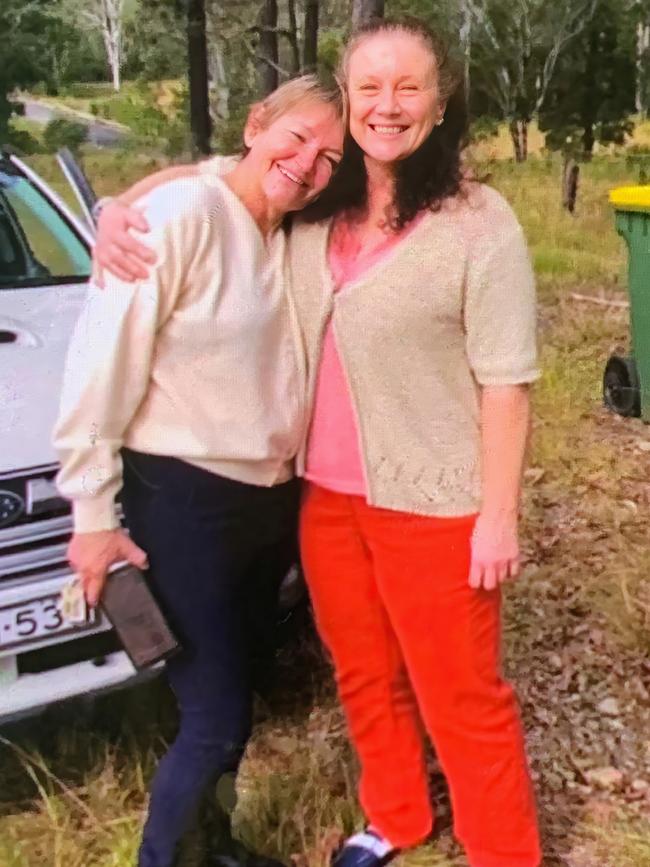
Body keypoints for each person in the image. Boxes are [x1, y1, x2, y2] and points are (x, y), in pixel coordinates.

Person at [92, 17, 542, 867]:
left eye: (409, 87)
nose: (388, 105)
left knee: (462, 695)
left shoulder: (482, 224)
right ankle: (398, 813)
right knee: (365, 675)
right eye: (369, 86)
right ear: (348, 96)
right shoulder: (316, 210)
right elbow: (216, 180)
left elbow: (507, 380)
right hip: (325, 500)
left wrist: (499, 515)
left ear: (440, 102)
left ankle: (502, 850)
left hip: (436, 505)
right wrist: (120, 209)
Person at [53, 75, 344, 867]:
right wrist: (92, 516)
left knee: (237, 697)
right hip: (181, 498)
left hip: (267, 502)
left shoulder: (292, 230)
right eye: (295, 138)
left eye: (328, 155)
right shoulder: (181, 217)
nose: (307, 162)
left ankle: (209, 841)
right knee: (213, 712)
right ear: (257, 124)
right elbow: (99, 366)